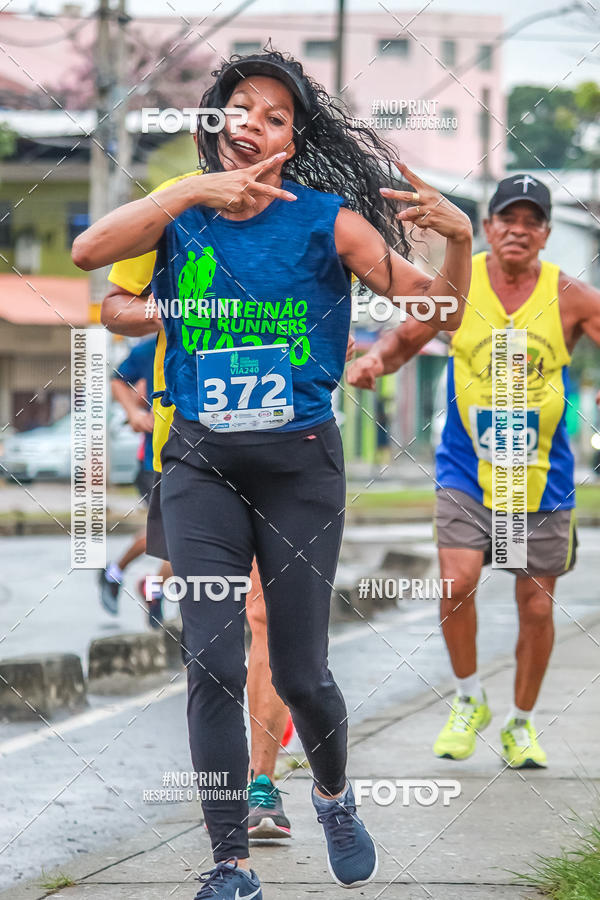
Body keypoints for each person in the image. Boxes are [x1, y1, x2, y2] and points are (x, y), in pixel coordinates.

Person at [74, 48, 472, 899]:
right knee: (213, 664)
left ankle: (331, 793)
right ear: (215, 123)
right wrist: (184, 219)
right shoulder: (174, 218)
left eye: (276, 114)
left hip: (299, 470)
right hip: (199, 464)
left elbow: (439, 313)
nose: (253, 122)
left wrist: (462, 239)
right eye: (238, 108)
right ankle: (231, 864)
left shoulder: (331, 222)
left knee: (300, 674)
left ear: (293, 139)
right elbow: (90, 266)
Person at [347, 173, 600, 770]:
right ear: (488, 228)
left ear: (544, 234)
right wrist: (376, 362)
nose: (517, 230)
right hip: (467, 468)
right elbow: (410, 335)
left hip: (537, 477)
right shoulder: (465, 283)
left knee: (535, 606)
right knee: (456, 584)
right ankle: (467, 698)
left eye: (530, 221)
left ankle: (521, 722)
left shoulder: (572, 297)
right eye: (506, 219)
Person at [102, 288, 293, 840]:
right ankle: (223, 808)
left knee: (265, 620)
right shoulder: (183, 281)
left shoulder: (288, 272)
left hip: (282, 463)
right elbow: (121, 343)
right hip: (189, 464)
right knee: (213, 633)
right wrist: (136, 409)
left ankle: (261, 784)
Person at [99, 336, 168, 628]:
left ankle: (150, 588)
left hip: (205, 458)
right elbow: (119, 381)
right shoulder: (149, 348)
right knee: (172, 537)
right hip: (155, 462)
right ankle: (119, 574)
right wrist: (134, 412)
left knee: (178, 539)